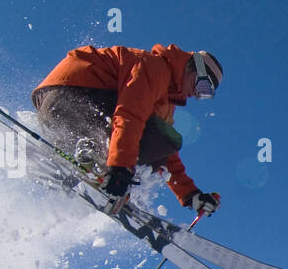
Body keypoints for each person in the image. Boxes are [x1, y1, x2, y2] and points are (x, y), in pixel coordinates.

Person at [31, 43, 223, 215]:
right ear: (192, 67)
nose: (196, 94)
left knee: (162, 141)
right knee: (159, 139)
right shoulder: (156, 68)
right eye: (202, 86)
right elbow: (130, 115)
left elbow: (165, 155)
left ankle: (84, 161)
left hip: (55, 110)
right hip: (74, 98)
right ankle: (104, 167)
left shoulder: (166, 100)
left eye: (204, 94)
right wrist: (120, 168)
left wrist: (190, 194)